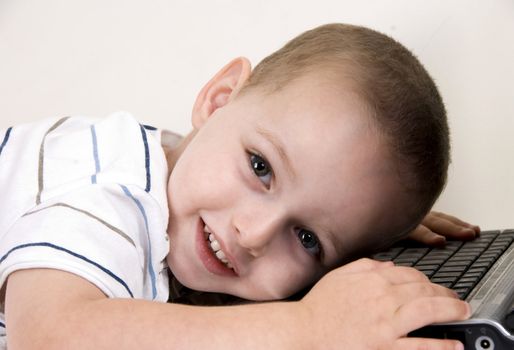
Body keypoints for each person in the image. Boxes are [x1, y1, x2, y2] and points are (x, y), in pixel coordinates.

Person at [0, 23, 479, 349]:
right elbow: (48, 336)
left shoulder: (182, 171)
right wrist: (307, 328)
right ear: (218, 98)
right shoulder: (109, 191)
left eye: (307, 237)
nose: (253, 234)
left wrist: (363, 223)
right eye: (261, 167)